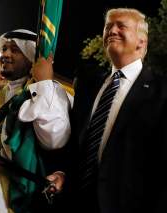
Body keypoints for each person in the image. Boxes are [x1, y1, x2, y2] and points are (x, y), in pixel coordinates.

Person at [52, 8, 167, 213]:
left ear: (142, 42)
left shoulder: (162, 92)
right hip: (74, 202)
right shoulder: (88, 85)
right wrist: (63, 172)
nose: (111, 30)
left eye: (121, 26)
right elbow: (75, 142)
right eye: (108, 27)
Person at [0, 29, 71, 213]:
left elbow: (54, 138)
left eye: (15, 50)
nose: (5, 54)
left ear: (31, 55)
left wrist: (43, 84)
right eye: (5, 49)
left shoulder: (52, 92)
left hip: (10, 194)